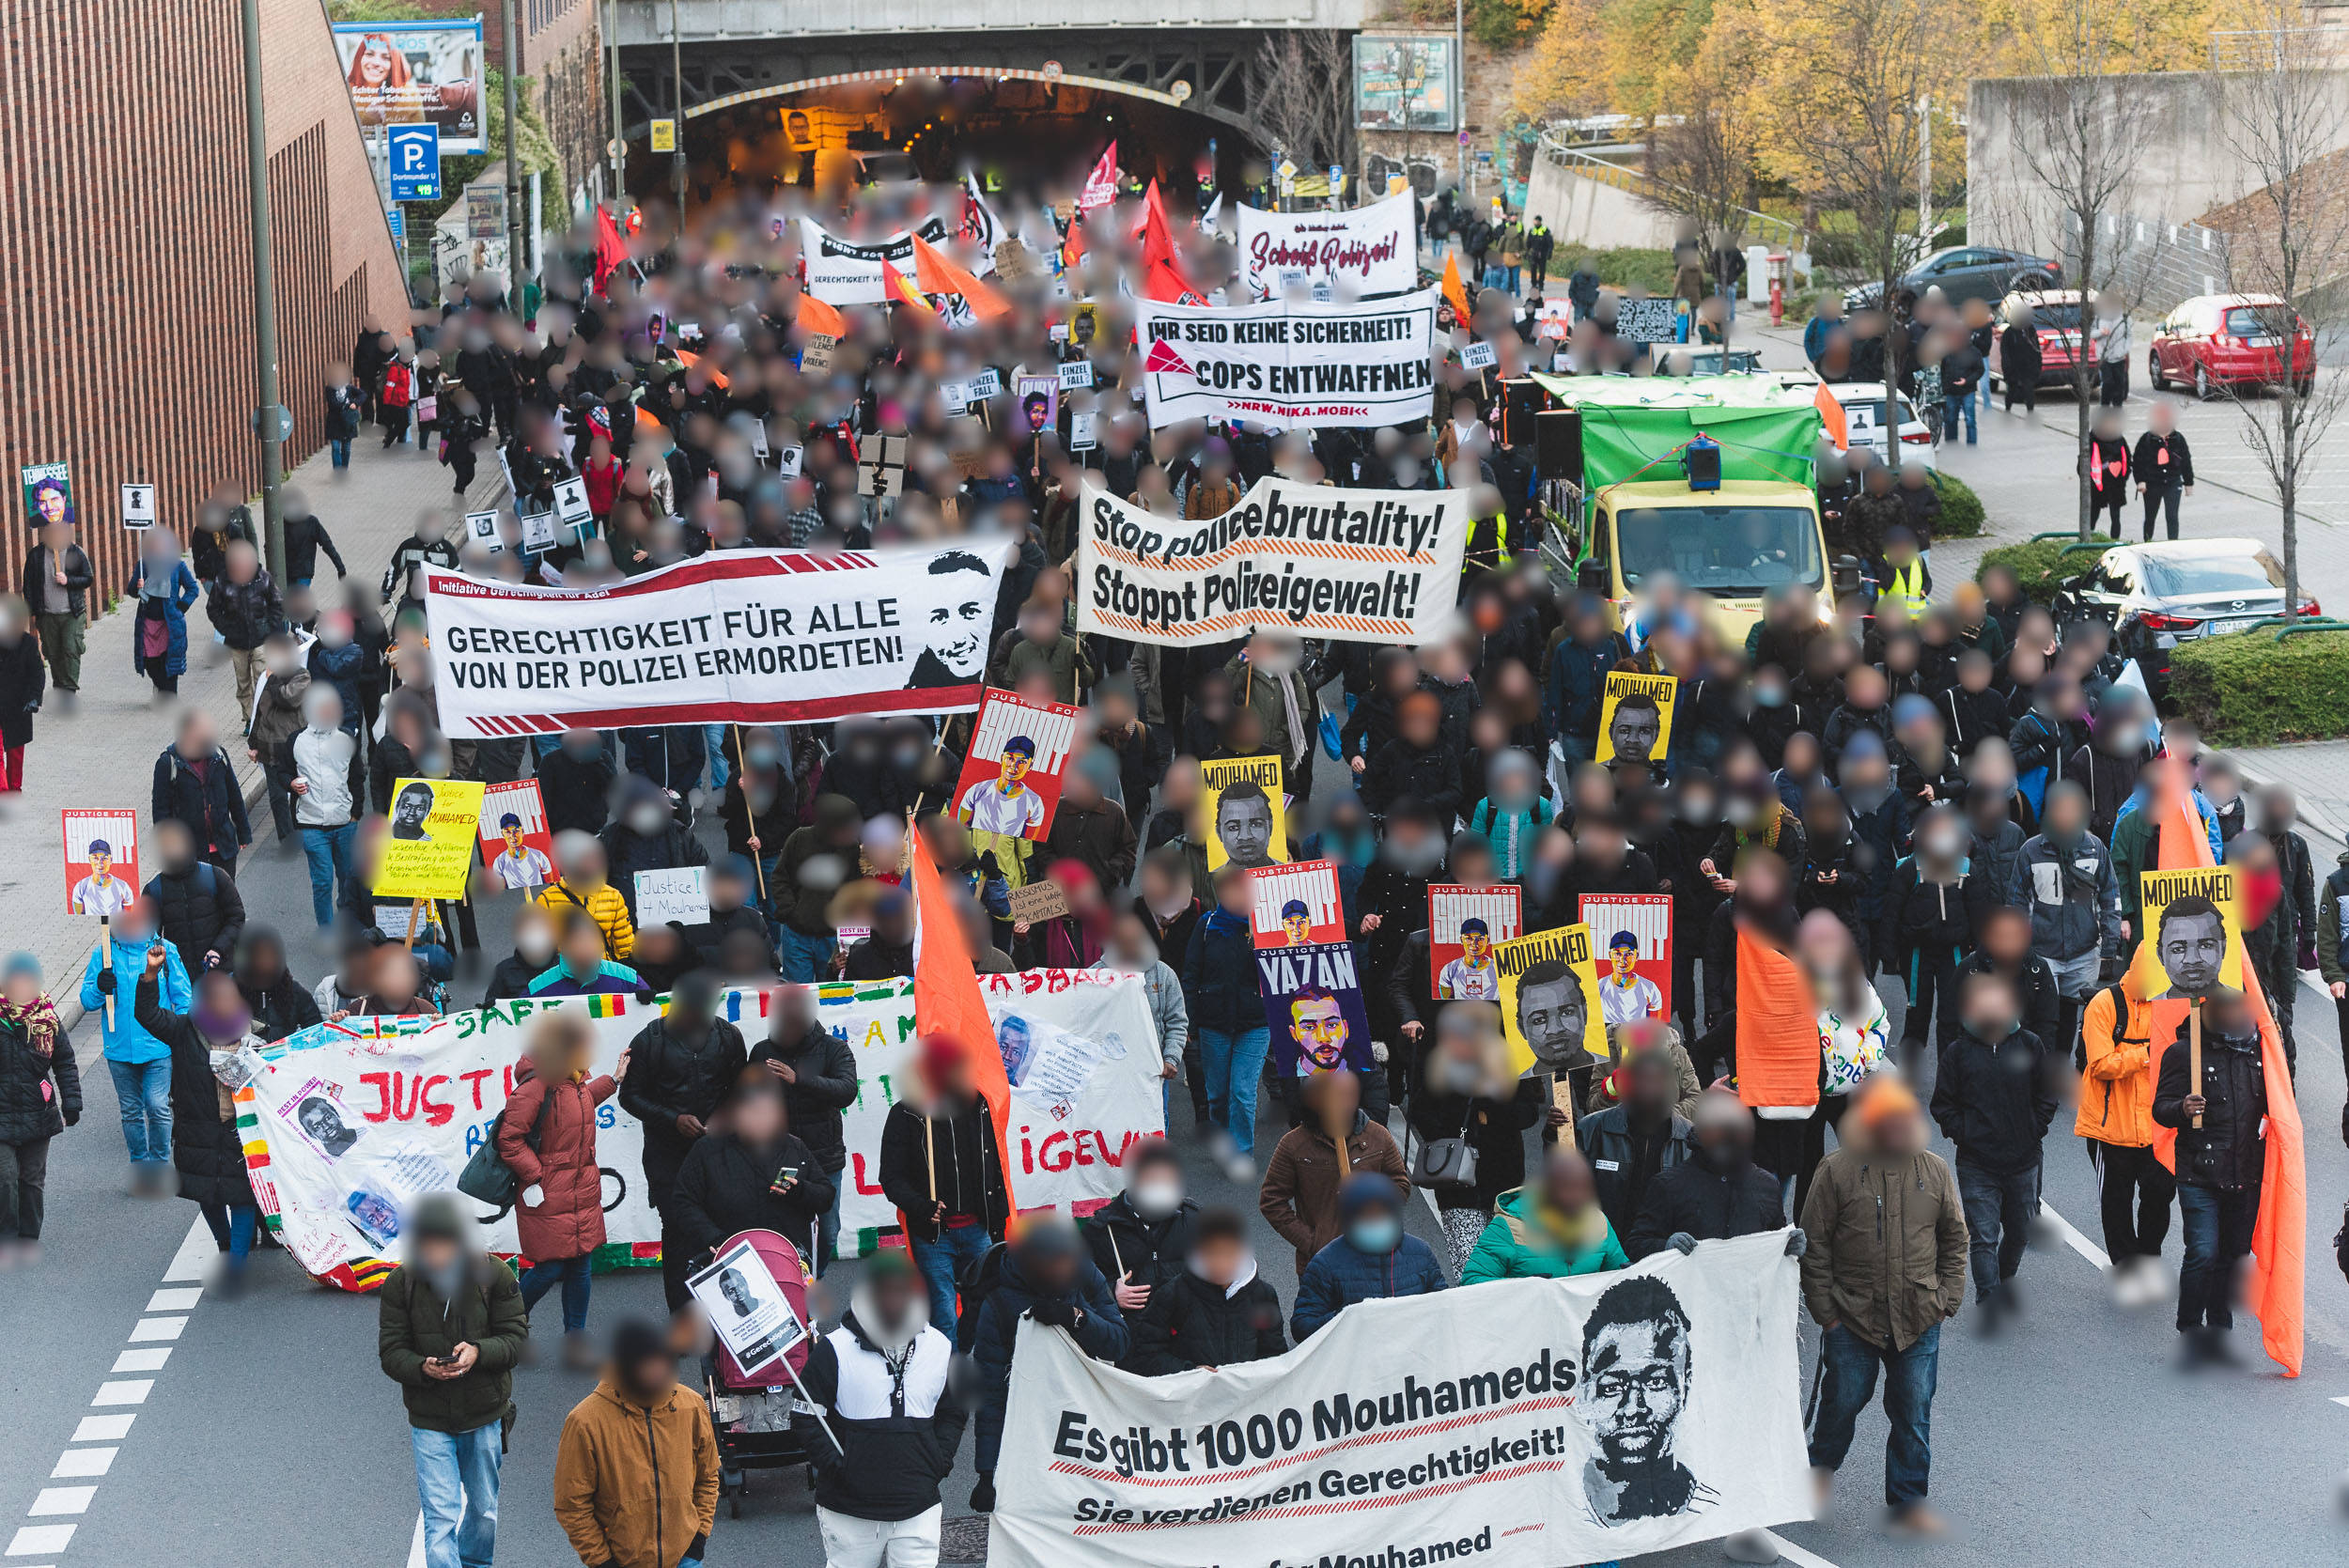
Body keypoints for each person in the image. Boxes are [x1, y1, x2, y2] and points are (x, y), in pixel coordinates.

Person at [1801, 1077, 1968, 1534]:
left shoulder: (1934, 1170)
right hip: (1851, 1318)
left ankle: (1908, 1501)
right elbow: (1814, 1245)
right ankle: (1818, 1472)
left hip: (1919, 1318)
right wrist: (1827, 1315)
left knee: (1913, 1411)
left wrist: (1946, 1300)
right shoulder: (1835, 1170)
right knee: (1842, 1403)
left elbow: (1955, 1238)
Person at [378, 1192, 528, 1568]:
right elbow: (391, 1352)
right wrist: (422, 1368)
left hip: (483, 1414)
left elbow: (516, 1340)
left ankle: (476, 1563)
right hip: (429, 1418)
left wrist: (478, 1351)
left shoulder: (494, 1275)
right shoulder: (401, 1283)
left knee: (483, 1510)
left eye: (442, 1244)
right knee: (441, 1516)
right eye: (426, 1245)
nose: (434, 1254)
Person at [793, 1249, 966, 1566]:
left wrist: (938, 1461)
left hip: (918, 1508)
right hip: (849, 1511)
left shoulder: (939, 1347)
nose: (893, 1300)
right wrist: (838, 1467)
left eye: (901, 1291)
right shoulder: (834, 1350)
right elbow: (805, 1416)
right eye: (885, 1291)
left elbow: (954, 1411)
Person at [967, 1216, 1127, 1513]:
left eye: (1068, 1261)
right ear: (1032, 1264)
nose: (1064, 1271)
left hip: (1083, 1414)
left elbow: (1118, 1341)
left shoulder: (1085, 1275)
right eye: (1055, 1264)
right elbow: (990, 1394)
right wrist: (988, 1472)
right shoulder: (998, 1303)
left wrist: (1077, 1318)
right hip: (1031, 1423)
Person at [1929, 970, 2057, 1329]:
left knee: (2019, 1232)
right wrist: (1965, 1134)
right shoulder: (1958, 1052)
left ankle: (2002, 1281)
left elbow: (2047, 1093)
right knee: (1983, 1237)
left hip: (2023, 1161)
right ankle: (1988, 1301)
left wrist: (2033, 1129)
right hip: (1977, 1163)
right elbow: (1943, 1104)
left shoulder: (2030, 1044)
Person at [498, 1012, 623, 1367]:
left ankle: (575, 1342)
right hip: (548, 1194)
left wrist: (613, 1080)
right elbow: (509, 1139)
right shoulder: (535, 1085)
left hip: (580, 1190)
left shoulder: (573, 1080)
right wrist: (537, 1176)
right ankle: (508, 1326)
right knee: (550, 1267)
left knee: (581, 1265)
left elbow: (578, 1106)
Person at [133, 950, 265, 1287]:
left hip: (242, 1133)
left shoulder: (258, 1038)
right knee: (206, 1194)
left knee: (243, 1197)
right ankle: (224, 1244)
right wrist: (150, 975)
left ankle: (236, 1265)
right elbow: (147, 1014)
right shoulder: (185, 1031)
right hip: (198, 1132)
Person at [2151, 986, 2268, 1365]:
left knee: (2233, 1256)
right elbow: (2160, 1109)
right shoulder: (2184, 1053)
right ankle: (2190, 1330)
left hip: (2244, 1172)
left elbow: (2281, 1099)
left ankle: (2219, 1333)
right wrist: (2182, 1109)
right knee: (2202, 1252)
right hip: (2199, 1172)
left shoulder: (2260, 1050)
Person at [618, 973, 749, 1309]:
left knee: (721, 1231)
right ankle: (682, 1316)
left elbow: (742, 1089)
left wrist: (723, 1116)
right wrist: (673, 1119)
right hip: (667, 1158)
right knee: (677, 1235)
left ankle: (725, 1315)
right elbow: (629, 1097)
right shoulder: (649, 1041)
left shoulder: (728, 1036)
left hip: (718, 1154)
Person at [552, 1317, 720, 1568]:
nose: (659, 1373)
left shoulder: (691, 1406)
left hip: (685, 1559)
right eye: (649, 1366)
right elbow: (571, 1503)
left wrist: (697, 1541)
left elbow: (708, 1476)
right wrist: (601, 1561)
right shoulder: (585, 1422)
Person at [878, 1032, 1011, 1336]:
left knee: (985, 1309)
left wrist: (998, 1218)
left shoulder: (980, 1106)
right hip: (935, 1236)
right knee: (944, 1316)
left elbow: (996, 1166)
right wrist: (922, 1207)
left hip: (979, 1230)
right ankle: (949, 1367)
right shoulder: (906, 1114)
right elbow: (891, 1178)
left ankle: (977, 1362)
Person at [1409, 1002, 1548, 1276]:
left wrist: (1492, 1108)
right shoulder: (1440, 1066)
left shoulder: (1510, 1067)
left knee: (1505, 1266)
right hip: (1456, 1185)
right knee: (1470, 1270)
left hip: (1503, 1182)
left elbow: (1529, 1113)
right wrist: (1455, 1130)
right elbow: (1420, 1111)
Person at [665, 1075, 834, 1281]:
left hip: (786, 1258)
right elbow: (684, 1201)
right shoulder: (706, 1150)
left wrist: (800, 1190)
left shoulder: (794, 1147)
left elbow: (826, 1196)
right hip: (730, 1261)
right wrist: (715, 1238)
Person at [2076, 959, 2173, 1303]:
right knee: (2117, 1203)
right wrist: (2147, 1054)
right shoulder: (2104, 1004)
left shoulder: (2170, 1005)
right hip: (2110, 1128)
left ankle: (2148, 1260)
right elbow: (2100, 1064)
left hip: (2156, 1126)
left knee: (2160, 1194)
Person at [746, 984, 859, 1269]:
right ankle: (792, 1286)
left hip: (824, 1160)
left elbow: (847, 1090)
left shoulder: (834, 1048)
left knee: (828, 1232)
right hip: (778, 1159)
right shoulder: (762, 1051)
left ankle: (811, 1280)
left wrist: (799, 1080)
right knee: (781, 1229)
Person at [1259, 1067, 1409, 1278]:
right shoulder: (1293, 1145)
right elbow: (1271, 1202)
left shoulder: (1378, 1136)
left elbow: (1401, 1184)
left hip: (1373, 1261)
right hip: (1321, 1265)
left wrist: (1372, 1201)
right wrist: (1312, 1242)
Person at [82, 901, 189, 1191]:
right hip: (119, 1048)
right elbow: (87, 1001)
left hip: (158, 1046)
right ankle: (141, 1168)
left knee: (157, 1105)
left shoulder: (164, 951)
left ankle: (160, 1166)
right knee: (130, 1111)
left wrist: (182, 1033)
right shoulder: (104, 954)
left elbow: (184, 998)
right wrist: (99, 986)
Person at [1626, 1088, 1787, 1259]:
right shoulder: (1668, 1185)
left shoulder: (1766, 1185)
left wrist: (1789, 1247)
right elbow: (1635, 1245)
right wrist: (1666, 1246)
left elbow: (1776, 1242)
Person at [1183, 865, 1271, 1177]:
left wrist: (1263, 944)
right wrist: (1190, 1022)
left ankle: (1242, 1152)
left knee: (1242, 1092)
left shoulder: (1266, 927)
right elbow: (1191, 974)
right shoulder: (1207, 925)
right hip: (1214, 1022)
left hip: (1255, 1023)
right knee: (1218, 1093)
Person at [1126, 1205, 1287, 1374]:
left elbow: (1274, 1355)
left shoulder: (1263, 1295)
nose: (1220, 1263)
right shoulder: (1173, 1294)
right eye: (1211, 1253)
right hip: (1192, 1390)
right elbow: (1146, 1354)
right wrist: (1189, 1371)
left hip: (1246, 1390)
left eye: (1228, 1253)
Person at [1293, 1172, 1448, 1337]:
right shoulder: (1326, 1264)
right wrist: (1347, 1317)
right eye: (1367, 1216)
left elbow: (1445, 1306)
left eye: (1381, 1214)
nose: (1375, 1221)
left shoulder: (1421, 1253)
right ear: (1350, 1218)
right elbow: (1302, 1326)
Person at [1460, 1144, 1628, 1283]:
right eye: (1568, 1187)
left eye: (1584, 1187)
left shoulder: (1599, 1222)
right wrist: (1524, 1288)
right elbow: (1471, 1281)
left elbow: (1621, 1276)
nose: (1578, 1196)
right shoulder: (1509, 1226)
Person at [0, 954, 76, 1255]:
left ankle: (29, 1237)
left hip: (37, 1113)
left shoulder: (48, 1019)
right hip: (2, 1114)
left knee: (31, 1179)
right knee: (5, 1178)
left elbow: (65, 1061)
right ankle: (7, 1235)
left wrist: (72, 1101)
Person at [1577, 1047, 1691, 1243]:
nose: (1649, 1088)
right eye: (1642, 1080)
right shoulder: (1593, 1128)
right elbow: (1566, 1181)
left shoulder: (1687, 1137)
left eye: (1656, 1080)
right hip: (1604, 1243)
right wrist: (1554, 1135)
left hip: (1658, 1247)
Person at [1082, 1138, 1197, 1322]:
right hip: (1135, 1332)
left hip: (1185, 1331)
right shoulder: (1102, 1229)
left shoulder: (1193, 1218)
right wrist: (1112, 1293)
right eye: (1152, 1179)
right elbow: (1078, 1284)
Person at [282, 684, 364, 927]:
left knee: (348, 880)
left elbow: (357, 777)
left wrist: (356, 814)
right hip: (311, 825)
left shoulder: (346, 739)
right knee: (322, 882)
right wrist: (291, 783)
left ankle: (348, 927)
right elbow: (282, 772)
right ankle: (326, 930)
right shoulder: (296, 741)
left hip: (345, 824)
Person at [152, 710, 253, 877]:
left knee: (226, 892)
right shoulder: (167, 763)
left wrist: (243, 832)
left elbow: (234, 795)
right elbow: (161, 812)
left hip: (223, 849)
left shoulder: (219, 756)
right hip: (189, 854)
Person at [23, 518, 90, 695]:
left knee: (70, 648)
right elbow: (28, 585)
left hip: (72, 613)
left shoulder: (75, 552)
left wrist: (68, 580)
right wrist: (32, 611)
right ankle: (60, 686)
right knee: (53, 653)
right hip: (46, 614)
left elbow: (87, 578)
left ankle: (69, 690)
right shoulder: (36, 555)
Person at [129, 531, 200, 696]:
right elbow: (131, 591)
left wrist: (181, 607)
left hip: (169, 624)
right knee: (149, 661)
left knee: (169, 662)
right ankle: (160, 687)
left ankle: (169, 696)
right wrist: (138, 586)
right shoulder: (143, 565)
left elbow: (192, 588)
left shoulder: (177, 566)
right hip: (148, 623)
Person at [528, 909, 644, 998]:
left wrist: (646, 1000)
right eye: (579, 940)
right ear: (563, 946)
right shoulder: (538, 988)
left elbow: (653, 1010)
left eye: (592, 939)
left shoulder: (628, 979)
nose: (587, 947)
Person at [2134, 401, 2194, 541]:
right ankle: (2147, 542)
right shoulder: (2147, 439)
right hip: (2152, 483)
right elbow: (2138, 462)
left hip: (2173, 482)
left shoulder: (2178, 439)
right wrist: (2140, 481)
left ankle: (2173, 544)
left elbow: (2186, 461)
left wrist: (2188, 483)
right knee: (2150, 516)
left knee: (2172, 516)